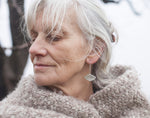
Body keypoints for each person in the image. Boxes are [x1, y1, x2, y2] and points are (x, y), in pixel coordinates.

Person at [0, 0, 150, 117]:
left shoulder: (137, 110)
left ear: (94, 49)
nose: (33, 49)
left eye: (54, 37)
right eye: (33, 38)